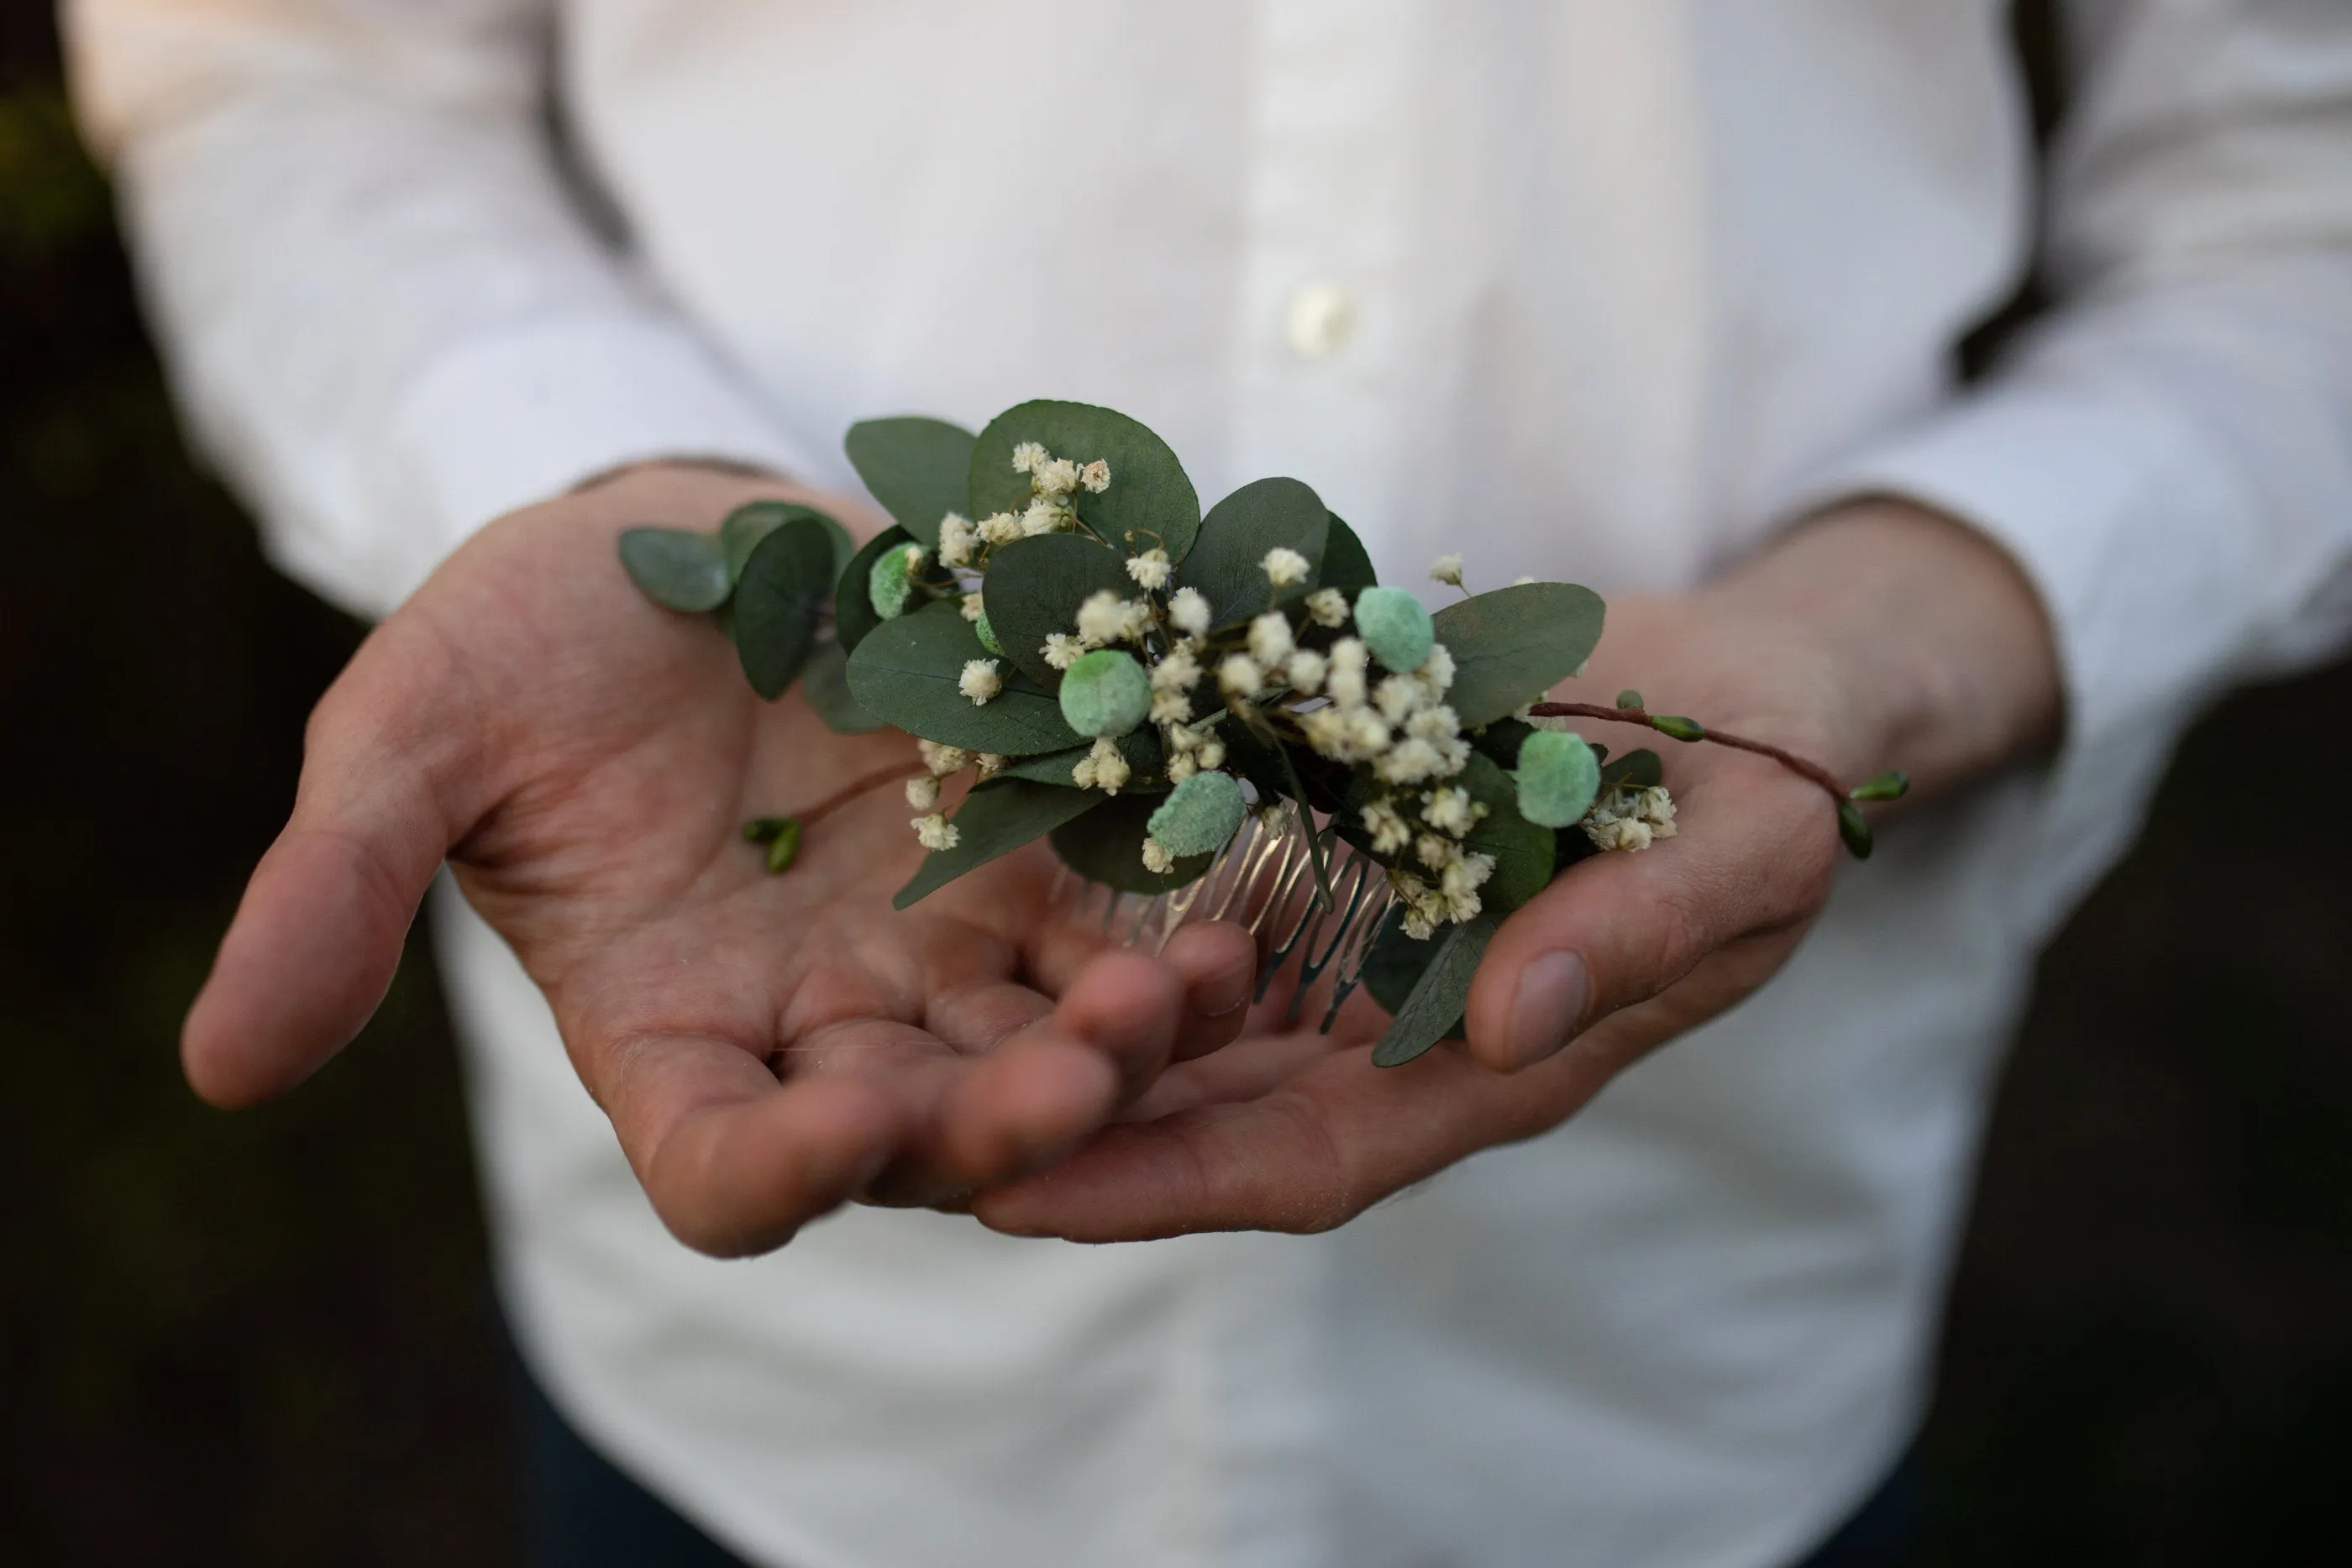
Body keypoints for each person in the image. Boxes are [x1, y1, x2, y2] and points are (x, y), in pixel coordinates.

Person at [63, 3, 2352, 1565]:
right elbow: (300, 62)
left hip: (1670, 1344)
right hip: (790, 1392)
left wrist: (1893, 632)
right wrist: (598, 482)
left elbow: (2304, 196)